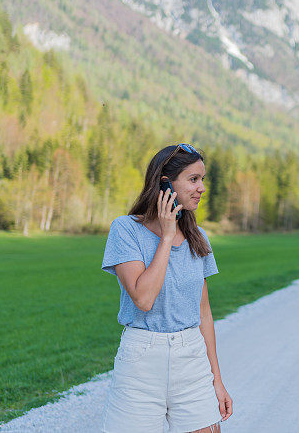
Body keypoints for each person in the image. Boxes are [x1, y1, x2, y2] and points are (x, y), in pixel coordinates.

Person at [101, 143, 232, 432]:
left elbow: (204, 313)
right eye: (193, 179)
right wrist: (166, 236)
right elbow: (143, 299)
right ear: (165, 183)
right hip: (141, 363)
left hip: (192, 361)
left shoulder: (199, 237)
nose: (202, 188)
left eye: (203, 179)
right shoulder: (125, 230)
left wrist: (217, 380)